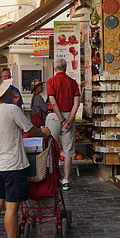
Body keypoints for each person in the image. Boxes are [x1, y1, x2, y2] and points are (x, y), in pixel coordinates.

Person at [0, 74, 50, 238]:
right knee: (12, 207)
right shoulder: (11, 110)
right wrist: (44, 133)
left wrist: (16, 101)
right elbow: (30, 129)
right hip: (13, 164)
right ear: (3, 92)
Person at [45, 59, 80, 191]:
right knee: (68, 150)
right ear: (66, 68)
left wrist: (61, 120)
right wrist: (69, 120)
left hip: (55, 117)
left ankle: (52, 177)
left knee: (51, 147)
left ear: (55, 68)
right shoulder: (73, 82)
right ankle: (66, 180)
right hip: (69, 116)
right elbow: (76, 103)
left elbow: (53, 102)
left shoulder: (51, 81)